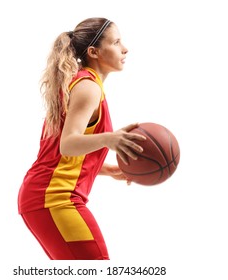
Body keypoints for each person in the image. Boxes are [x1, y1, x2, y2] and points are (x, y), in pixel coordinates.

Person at [18, 17, 146, 260]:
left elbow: (62, 156)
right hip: (54, 199)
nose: (125, 48)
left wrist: (109, 169)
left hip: (44, 196)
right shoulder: (88, 87)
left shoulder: (83, 83)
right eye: (117, 42)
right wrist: (110, 139)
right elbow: (68, 143)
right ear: (94, 51)